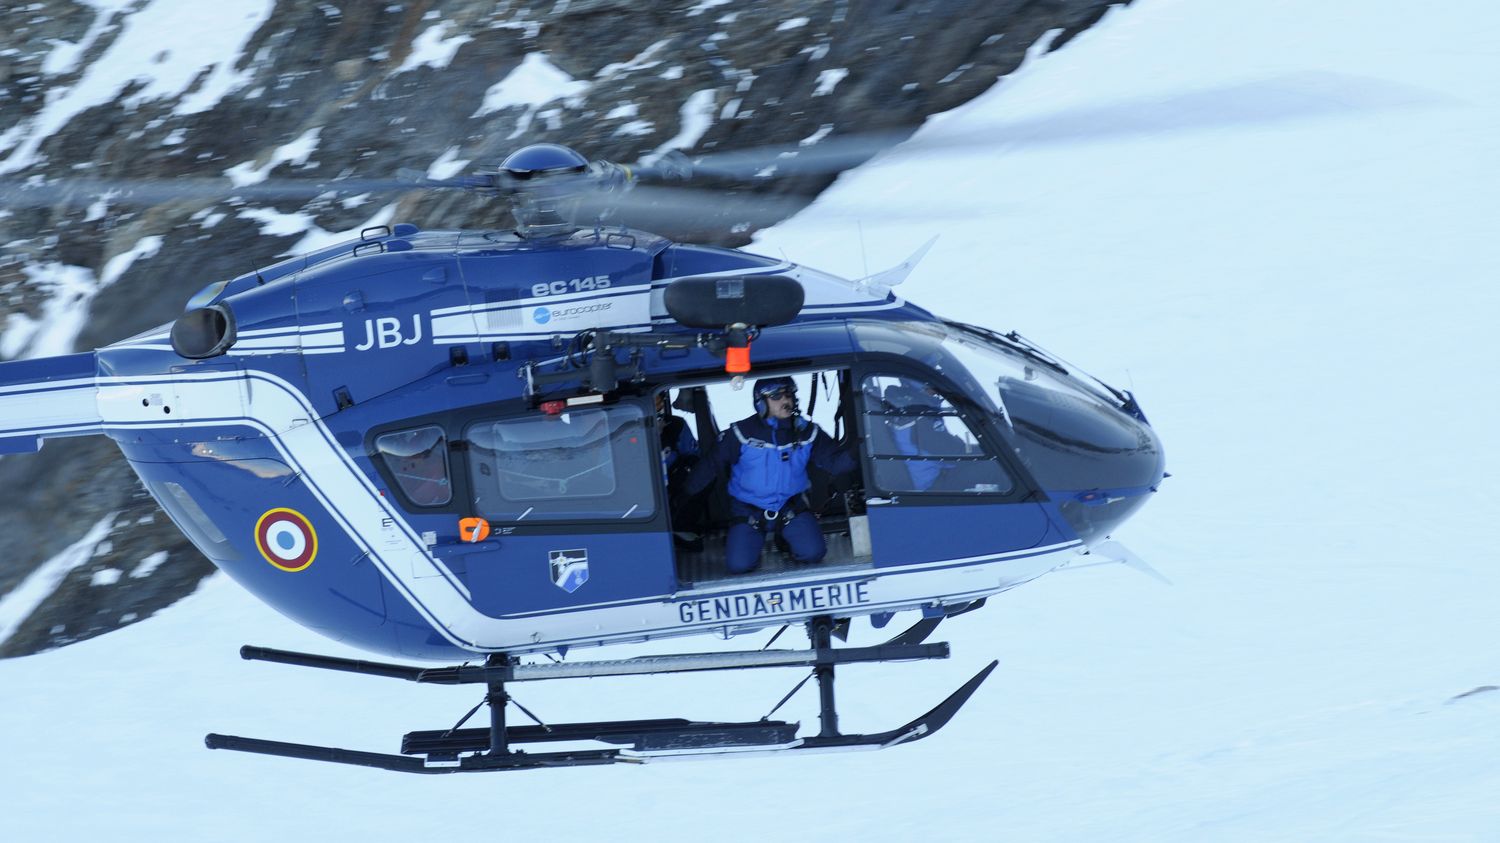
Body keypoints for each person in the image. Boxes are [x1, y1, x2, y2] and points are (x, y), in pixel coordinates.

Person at [686, 376, 855, 574]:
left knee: (813, 553)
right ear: (761, 402)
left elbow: (835, 463)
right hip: (748, 510)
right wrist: (685, 496)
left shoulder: (808, 432)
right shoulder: (741, 433)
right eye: (776, 396)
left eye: (789, 394)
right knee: (739, 565)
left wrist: (858, 449)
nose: (786, 401)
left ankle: (785, 537)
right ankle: (748, 540)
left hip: (790, 506)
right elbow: (710, 464)